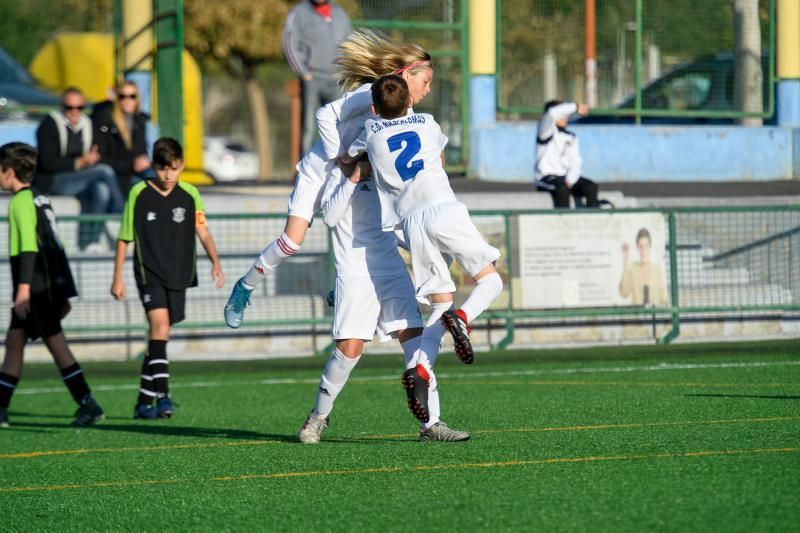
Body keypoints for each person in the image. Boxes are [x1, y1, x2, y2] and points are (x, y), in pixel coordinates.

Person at [224, 29, 433, 329]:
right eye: (425, 82)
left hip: (348, 174)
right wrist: (341, 157)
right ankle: (244, 287)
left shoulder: (406, 109)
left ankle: (346, 285)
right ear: (407, 74)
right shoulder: (370, 93)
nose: (428, 90)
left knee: (380, 224)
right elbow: (324, 114)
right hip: (320, 169)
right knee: (290, 243)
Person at [298, 158, 469, 444]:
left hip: (391, 269)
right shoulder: (335, 178)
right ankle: (317, 417)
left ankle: (432, 424)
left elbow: (397, 226)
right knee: (349, 350)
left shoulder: (386, 179)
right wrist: (352, 178)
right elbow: (329, 217)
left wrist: (427, 244)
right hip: (354, 273)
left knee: (416, 341)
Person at [343, 74, 504, 376]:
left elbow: (345, 158)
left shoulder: (371, 131)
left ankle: (420, 369)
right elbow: (439, 158)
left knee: (440, 306)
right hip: (443, 209)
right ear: (409, 102)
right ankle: (464, 317)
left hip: (411, 225)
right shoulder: (428, 123)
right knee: (491, 281)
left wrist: (363, 162)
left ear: (374, 110)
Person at [111, 138, 225, 420]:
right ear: (154, 167)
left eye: (173, 169)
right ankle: (164, 398)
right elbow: (125, 238)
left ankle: (142, 403)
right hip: (148, 273)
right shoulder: (138, 193)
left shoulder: (190, 194)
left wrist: (216, 262)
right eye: (163, 169)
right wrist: (118, 277)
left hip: (179, 273)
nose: (168, 175)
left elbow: (203, 231)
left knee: (161, 335)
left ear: (182, 166)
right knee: (160, 327)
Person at [0, 142, 104, 428]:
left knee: (57, 345)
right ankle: (1, 409)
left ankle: (88, 405)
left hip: (36, 288)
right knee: (14, 341)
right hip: (46, 284)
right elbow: (56, 247)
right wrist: (65, 291)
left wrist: (23, 290)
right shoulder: (40, 198)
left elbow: (30, 249)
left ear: (9, 172)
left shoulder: (20, 202)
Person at [34, 87, 125, 252]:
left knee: (102, 190)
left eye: (79, 108)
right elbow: (47, 161)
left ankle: (89, 241)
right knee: (104, 171)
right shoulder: (49, 125)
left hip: (83, 178)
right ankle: (121, 213)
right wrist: (78, 162)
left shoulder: (89, 125)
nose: (75, 112)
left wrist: (91, 159)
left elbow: (98, 153)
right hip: (56, 180)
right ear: (62, 107)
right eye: (70, 108)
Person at [282, 0, 352, 155]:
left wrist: (346, 71)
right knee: (308, 127)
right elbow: (289, 43)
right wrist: (303, 72)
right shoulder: (299, 12)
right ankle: (304, 173)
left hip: (337, 81)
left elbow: (350, 43)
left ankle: (336, 171)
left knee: (340, 126)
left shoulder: (340, 13)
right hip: (313, 79)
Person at [534, 100, 601, 209]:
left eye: (566, 115)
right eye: (562, 114)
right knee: (562, 189)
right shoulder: (545, 132)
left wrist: (571, 179)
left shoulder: (571, 136)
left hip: (564, 178)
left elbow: (576, 161)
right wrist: (576, 106)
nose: (565, 117)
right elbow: (552, 113)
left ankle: (592, 219)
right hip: (546, 178)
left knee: (591, 187)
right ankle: (563, 222)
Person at [92, 80, 153, 195]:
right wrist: (132, 164)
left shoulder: (140, 120)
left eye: (132, 96)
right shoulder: (104, 120)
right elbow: (101, 159)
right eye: (122, 96)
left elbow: (141, 150)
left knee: (154, 177)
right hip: (114, 174)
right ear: (117, 99)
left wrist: (143, 160)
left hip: (133, 173)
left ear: (137, 99)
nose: (127, 100)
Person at [619, 228, 668, 306]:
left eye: (646, 246)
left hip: (655, 316)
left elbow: (663, 297)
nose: (643, 250)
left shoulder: (657, 269)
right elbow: (624, 293)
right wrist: (625, 260)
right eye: (640, 246)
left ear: (650, 247)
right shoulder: (632, 268)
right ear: (637, 248)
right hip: (638, 316)